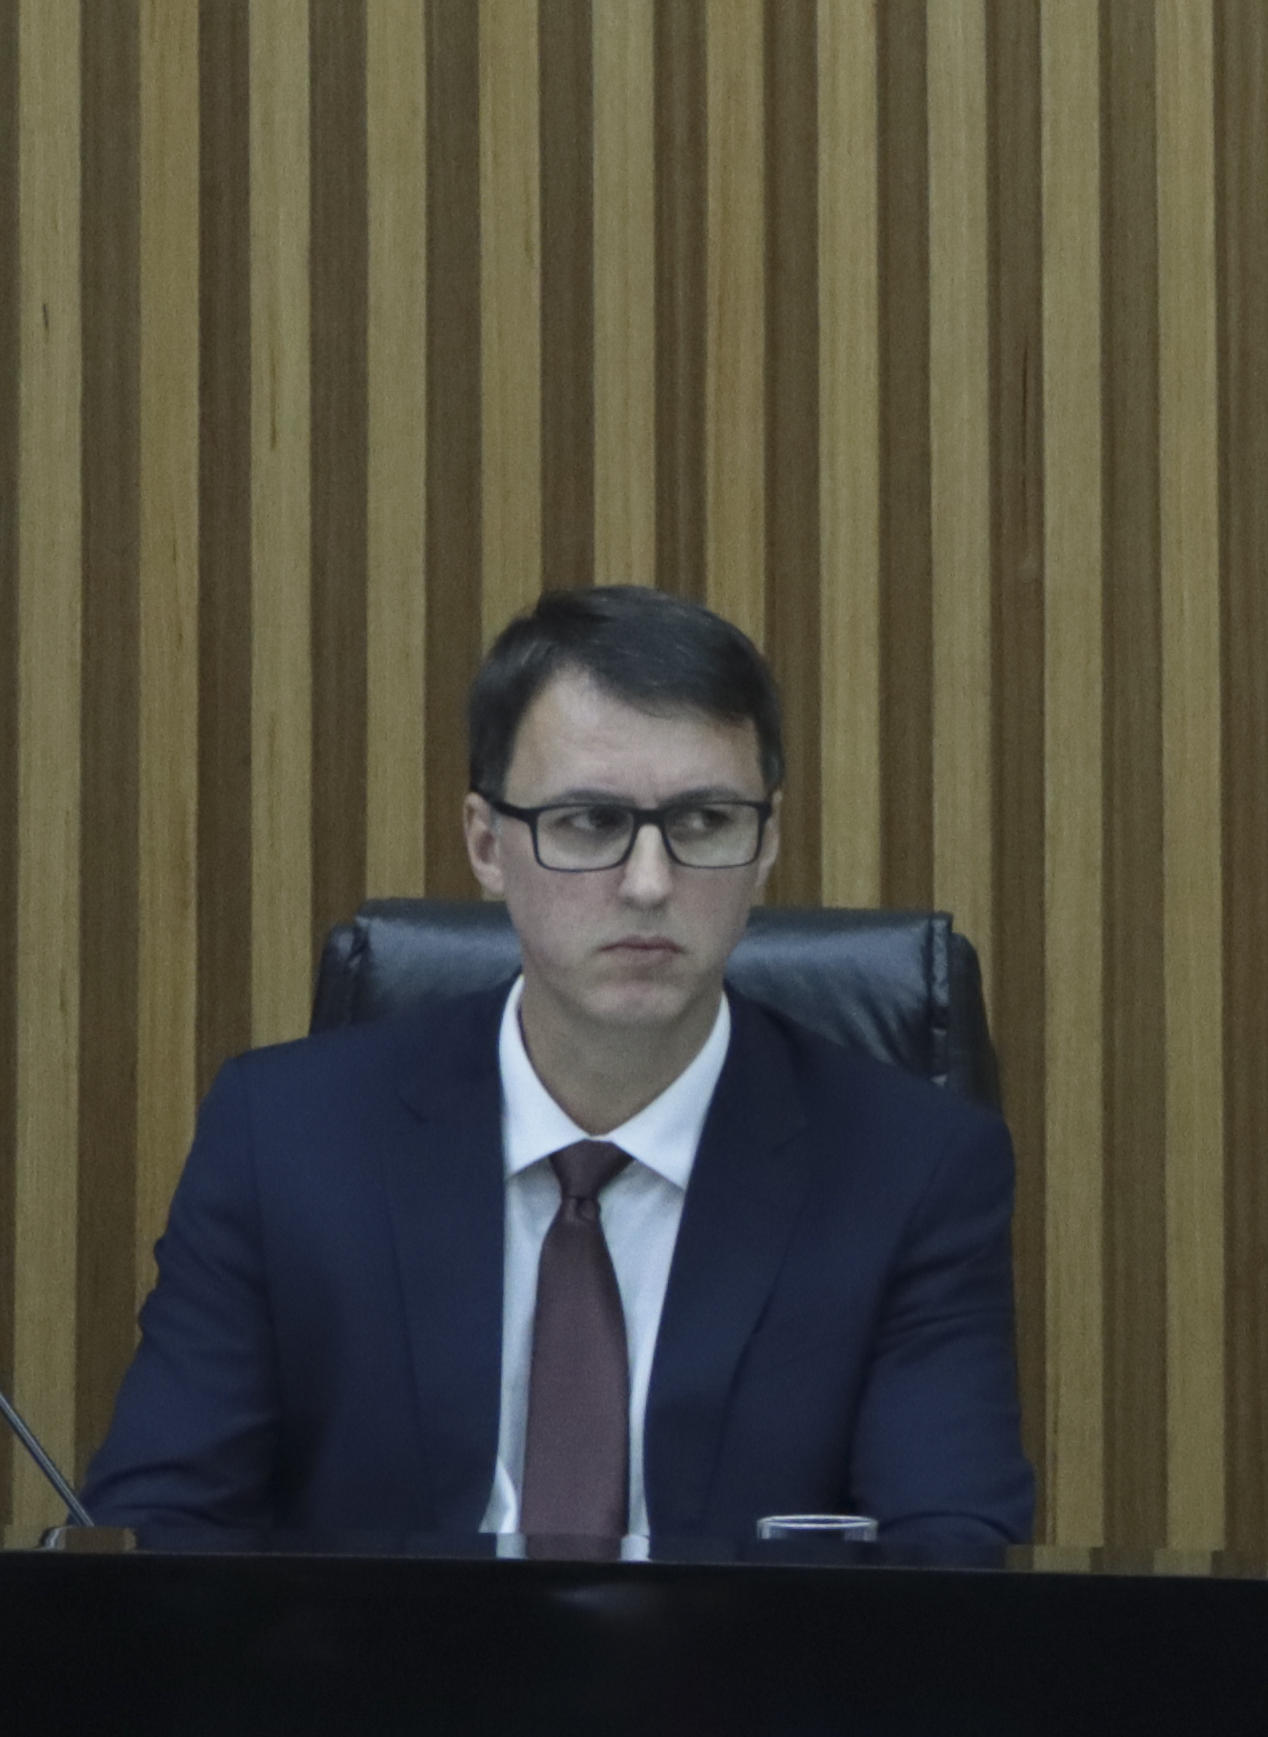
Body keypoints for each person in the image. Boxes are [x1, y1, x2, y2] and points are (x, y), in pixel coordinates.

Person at [83, 584, 1033, 1563]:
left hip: (746, 1707)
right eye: (588, 821)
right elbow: (162, 1530)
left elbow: (947, 1563)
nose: (650, 881)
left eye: (705, 820)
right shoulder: (284, 1137)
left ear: (768, 842)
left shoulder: (912, 1169)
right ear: (488, 842)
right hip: (369, 1703)